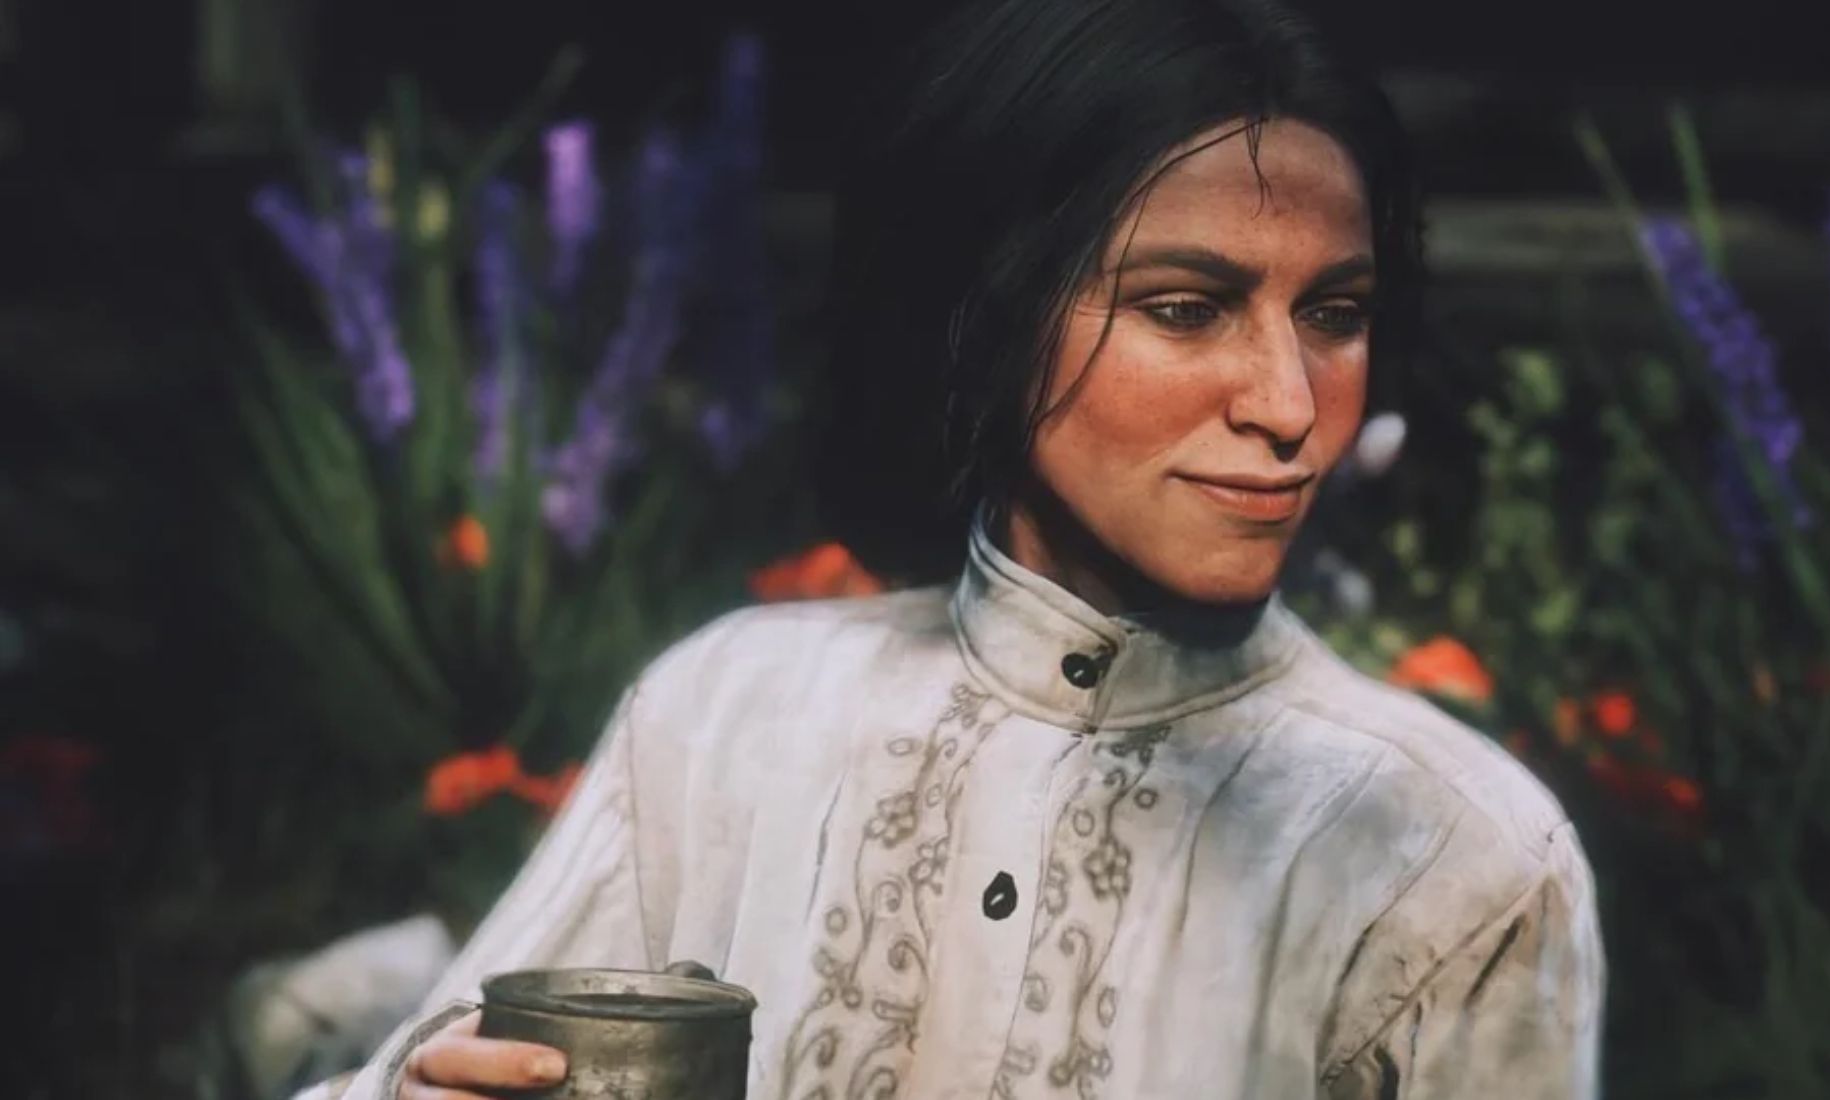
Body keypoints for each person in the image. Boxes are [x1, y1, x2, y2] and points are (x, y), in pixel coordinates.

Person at [322, 0, 1603, 1096]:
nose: (1285, 403)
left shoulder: (1450, 850)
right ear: (990, 307)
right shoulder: (730, 717)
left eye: (1334, 312)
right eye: (1185, 307)